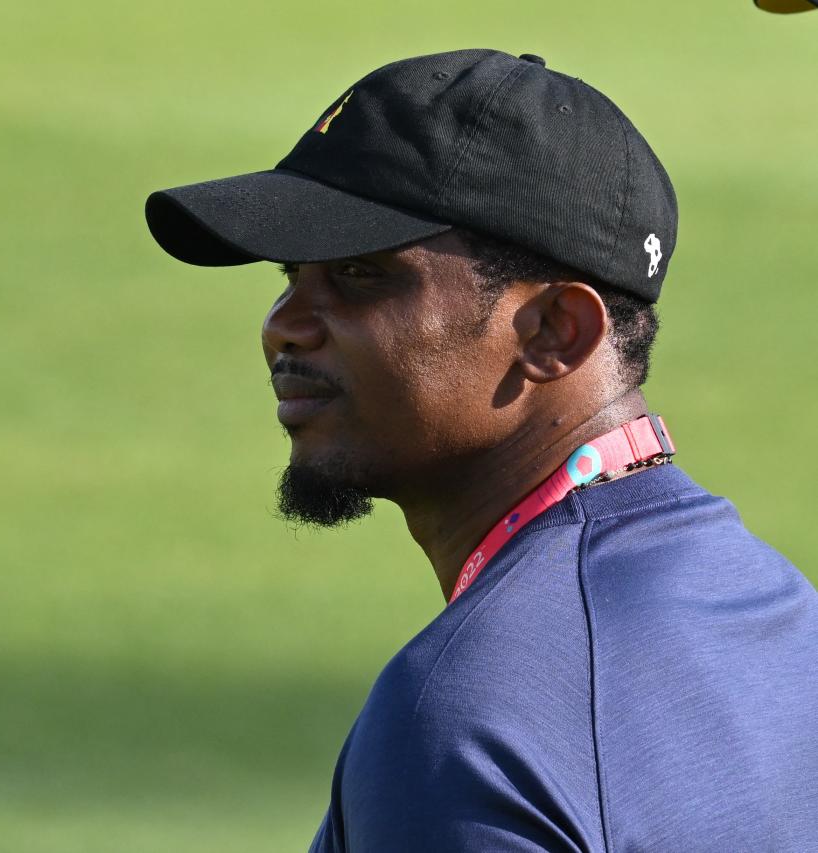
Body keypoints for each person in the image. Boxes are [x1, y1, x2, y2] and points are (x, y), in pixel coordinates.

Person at [144, 49, 818, 851]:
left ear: (555, 332)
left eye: (361, 275)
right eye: (292, 273)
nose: (284, 322)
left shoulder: (466, 721)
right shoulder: (776, 608)